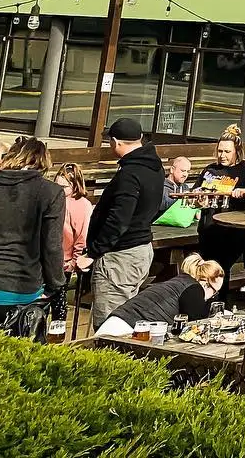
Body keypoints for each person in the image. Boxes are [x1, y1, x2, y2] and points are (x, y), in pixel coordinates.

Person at [79, 118, 164, 323]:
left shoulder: (130, 173)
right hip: (141, 248)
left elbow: (119, 219)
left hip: (121, 256)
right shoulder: (155, 168)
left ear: (116, 142)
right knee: (125, 316)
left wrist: (94, 252)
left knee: (109, 321)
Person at [0, 137, 66, 333]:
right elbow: (52, 246)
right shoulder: (50, 192)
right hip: (19, 291)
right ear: (43, 163)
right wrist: (55, 287)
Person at [195, 126, 245, 300]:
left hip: (232, 230)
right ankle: (206, 303)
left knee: (219, 268)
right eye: (219, 151)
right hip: (208, 228)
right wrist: (199, 199)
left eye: (227, 151)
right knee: (206, 268)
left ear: (237, 152)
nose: (222, 155)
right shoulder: (210, 169)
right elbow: (197, 191)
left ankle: (218, 305)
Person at [93, 253, 224, 338]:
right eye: (214, 292)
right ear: (205, 283)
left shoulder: (178, 282)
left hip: (115, 323)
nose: (212, 297)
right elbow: (196, 325)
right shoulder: (194, 289)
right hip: (127, 332)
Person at [54, 164, 93, 275]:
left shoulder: (81, 205)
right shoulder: (55, 200)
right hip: (52, 260)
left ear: (75, 186)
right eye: (56, 186)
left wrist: (73, 263)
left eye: (64, 187)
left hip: (66, 263)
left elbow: (82, 237)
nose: (59, 190)